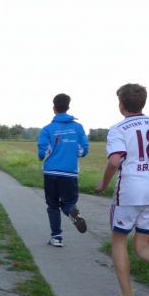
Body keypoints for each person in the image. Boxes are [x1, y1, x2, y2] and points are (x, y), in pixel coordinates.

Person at [96, 83, 149, 296]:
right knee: (143, 245)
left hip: (130, 193)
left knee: (119, 241)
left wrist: (104, 183)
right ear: (143, 102)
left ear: (121, 104)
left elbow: (114, 161)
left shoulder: (119, 129)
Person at [37, 93, 89, 247]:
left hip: (51, 172)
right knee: (68, 203)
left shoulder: (47, 129)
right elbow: (83, 150)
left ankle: (57, 238)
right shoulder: (78, 128)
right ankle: (73, 212)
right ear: (68, 107)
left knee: (53, 206)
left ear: (54, 108)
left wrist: (42, 156)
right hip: (70, 173)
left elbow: (42, 153)